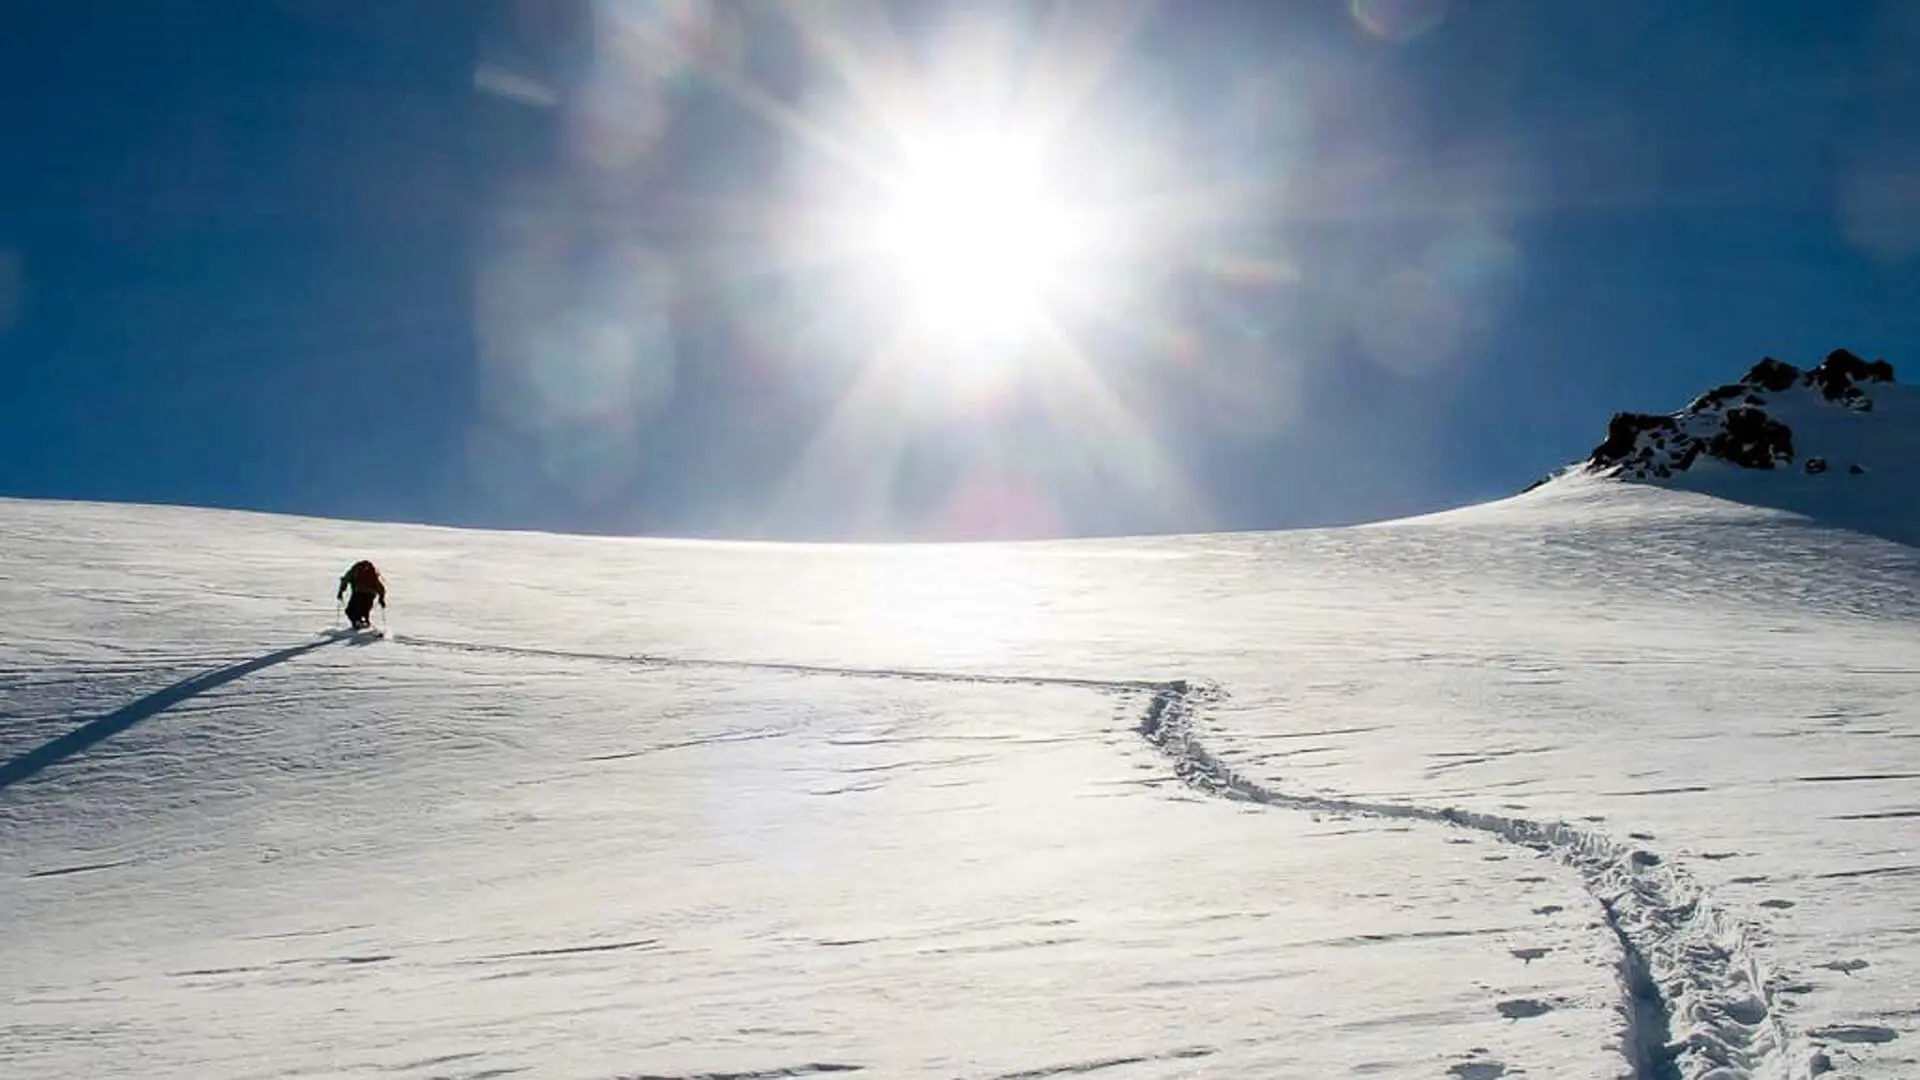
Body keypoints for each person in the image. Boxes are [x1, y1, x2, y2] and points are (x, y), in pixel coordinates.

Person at [337, 559, 387, 630]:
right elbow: (380, 587)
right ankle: (364, 622)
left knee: (350, 611)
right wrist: (381, 598)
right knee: (364, 611)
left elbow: (345, 579)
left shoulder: (354, 570)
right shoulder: (373, 573)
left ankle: (358, 623)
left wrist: (341, 591)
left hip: (358, 592)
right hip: (371, 594)